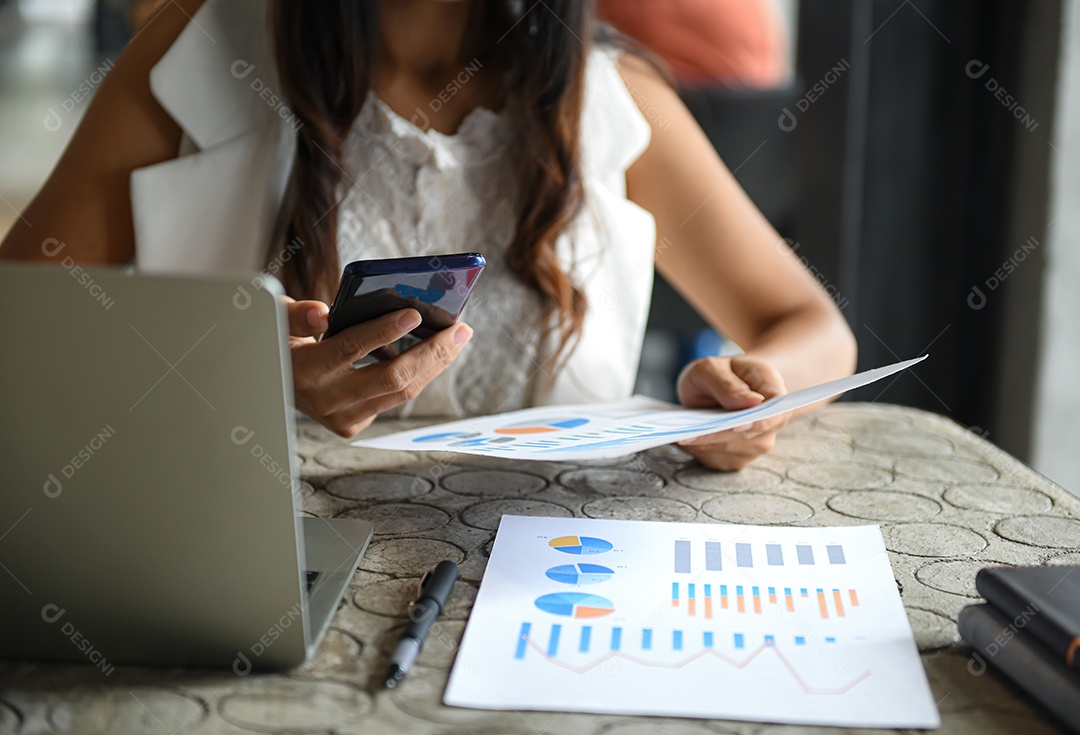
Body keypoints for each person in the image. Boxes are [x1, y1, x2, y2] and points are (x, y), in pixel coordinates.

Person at [0, 0, 856, 471]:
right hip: (261, 588)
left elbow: (811, 325)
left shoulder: (608, 97)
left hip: (552, 592)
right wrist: (236, 381)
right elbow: (19, 338)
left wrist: (758, 393)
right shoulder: (193, 60)